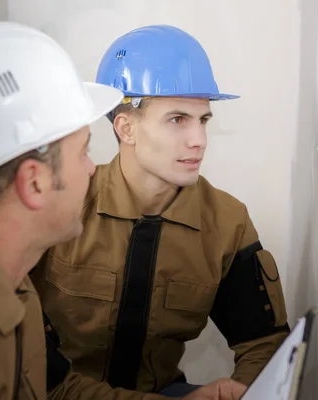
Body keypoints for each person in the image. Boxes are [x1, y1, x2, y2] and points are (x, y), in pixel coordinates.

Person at [0, 21, 246, 400]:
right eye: (83, 151)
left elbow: (56, 388)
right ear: (34, 183)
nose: (93, 169)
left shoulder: (4, 273)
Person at [31, 24, 291, 397]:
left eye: (203, 120)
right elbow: (15, 349)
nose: (199, 140)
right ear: (126, 128)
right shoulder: (64, 204)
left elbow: (264, 346)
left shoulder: (226, 222)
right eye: (177, 119)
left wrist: (241, 392)